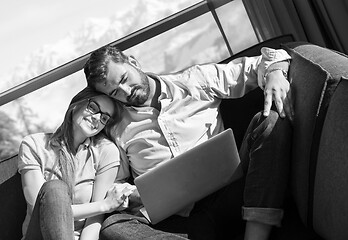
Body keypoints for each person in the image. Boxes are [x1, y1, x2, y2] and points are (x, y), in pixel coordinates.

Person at [84, 45, 293, 240]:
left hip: (233, 193)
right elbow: (116, 185)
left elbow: (266, 61)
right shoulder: (116, 129)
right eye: (114, 92)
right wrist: (134, 194)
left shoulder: (194, 80)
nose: (127, 92)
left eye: (124, 79)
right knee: (114, 226)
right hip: (181, 223)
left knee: (270, 122)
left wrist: (276, 73)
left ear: (133, 62)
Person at [17, 87, 133, 240]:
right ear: (76, 104)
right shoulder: (34, 145)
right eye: (93, 107)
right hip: (39, 235)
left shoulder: (106, 151)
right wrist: (104, 205)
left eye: (105, 118)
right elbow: (40, 208)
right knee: (55, 188)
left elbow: (95, 219)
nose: (97, 118)